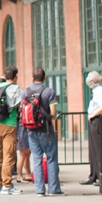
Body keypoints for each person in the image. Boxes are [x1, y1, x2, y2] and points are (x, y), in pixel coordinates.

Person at [22, 67, 64, 196]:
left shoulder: (25, 92)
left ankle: (39, 190)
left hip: (30, 130)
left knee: (37, 158)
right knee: (51, 158)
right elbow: (53, 113)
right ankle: (53, 189)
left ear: (32, 78)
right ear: (44, 78)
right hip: (46, 130)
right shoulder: (49, 92)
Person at [0, 66, 24, 195]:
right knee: (9, 155)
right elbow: (19, 105)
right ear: (15, 76)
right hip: (10, 124)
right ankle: (7, 185)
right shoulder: (16, 89)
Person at [82, 71, 102, 185]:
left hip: (98, 120)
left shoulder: (100, 91)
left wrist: (93, 115)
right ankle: (94, 175)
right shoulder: (96, 90)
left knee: (98, 149)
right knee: (94, 149)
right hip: (95, 120)